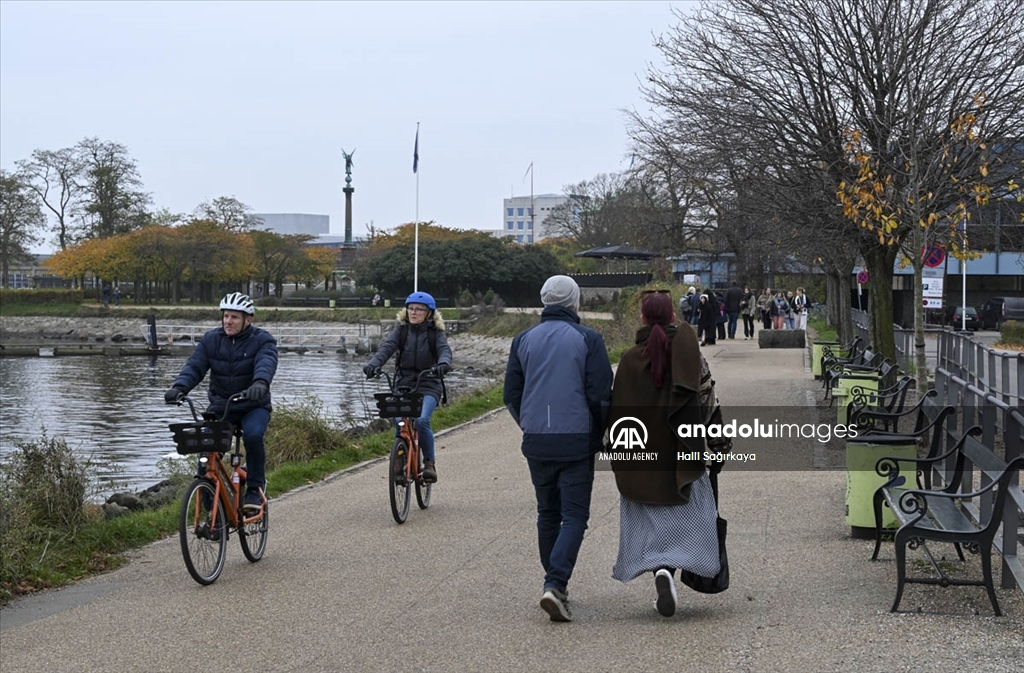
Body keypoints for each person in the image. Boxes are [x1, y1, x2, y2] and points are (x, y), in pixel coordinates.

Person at [608, 292, 730, 617]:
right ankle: (670, 571)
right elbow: (707, 401)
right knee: (686, 520)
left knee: (651, 522)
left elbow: (618, 413)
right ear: (674, 315)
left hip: (643, 461)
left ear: (643, 319)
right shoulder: (691, 356)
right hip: (682, 457)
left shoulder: (629, 360)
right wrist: (719, 444)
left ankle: (660, 568)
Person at [504, 275, 613, 622]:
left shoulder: (522, 340)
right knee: (575, 516)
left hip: (536, 440)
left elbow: (511, 395)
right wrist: (600, 434)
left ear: (544, 300)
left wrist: (529, 424)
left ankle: (554, 585)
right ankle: (555, 582)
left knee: (547, 513)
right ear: (575, 302)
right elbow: (600, 395)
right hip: (577, 439)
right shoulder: (588, 339)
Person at [164, 293, 278, 513]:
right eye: (226, 316)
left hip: (253, 405)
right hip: (222, 406)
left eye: (234, 317)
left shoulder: (263, 340)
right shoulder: (211, 340)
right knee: (206, 444)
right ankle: (208, 494)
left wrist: (260, 384)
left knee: (253, 435)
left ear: (248, 320)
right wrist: (179, 387)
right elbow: (195, 366)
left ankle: (254, 487)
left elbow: (266, 363)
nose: (228, 321)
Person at [363, 291, 452, 483]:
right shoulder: (401, 331)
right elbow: (387, 348)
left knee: (421, 420)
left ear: (429, 313)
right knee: (400, 422)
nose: (414, 312)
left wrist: (443, 365)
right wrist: (373, 364)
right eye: (411, 308)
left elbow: (444, 350)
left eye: (419, 309)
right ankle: (400, 463)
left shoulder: (435, 333)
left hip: (428, 384)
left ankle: (429, 463)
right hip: (403, 384)